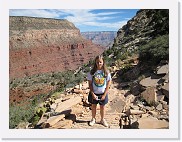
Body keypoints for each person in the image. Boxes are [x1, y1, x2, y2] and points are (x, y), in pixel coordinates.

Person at [87, 55, 112, 127]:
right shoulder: (91, 72)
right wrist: (92, 94)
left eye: (100, 62)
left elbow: (108, 84)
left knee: (102, 107)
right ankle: (93, 119)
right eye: (97, 62)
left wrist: (104, 94)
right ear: (95, 62)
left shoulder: (106, 72)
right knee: (93, 106)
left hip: (102, 93)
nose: (99, 63)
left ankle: (102, 119)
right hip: (94, 93)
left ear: (103, 62)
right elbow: (90, 84)